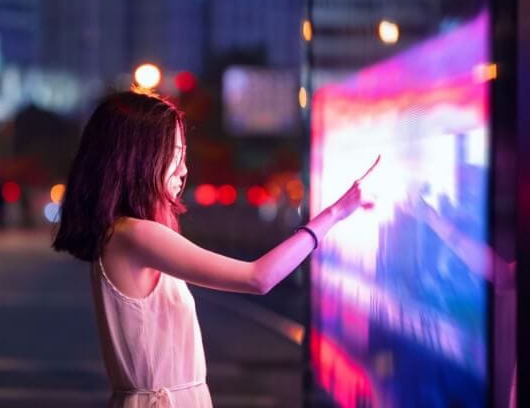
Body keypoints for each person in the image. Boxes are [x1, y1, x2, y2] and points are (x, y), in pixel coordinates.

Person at [54, 91, 379, 407]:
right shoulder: (136, 235)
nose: (183, 170)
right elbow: (258, 278)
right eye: (175, 154)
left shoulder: (126, 233)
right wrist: (334, 213)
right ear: (140, 157)